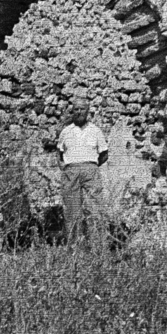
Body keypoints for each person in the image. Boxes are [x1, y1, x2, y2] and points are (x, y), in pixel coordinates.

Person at [57, 102, 108, 241]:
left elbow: (104, 154)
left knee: (95, 209)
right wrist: (65, 168)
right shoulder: (66, 131)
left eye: (82, 109)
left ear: (87, 111)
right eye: (76, 109)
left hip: (90, 170)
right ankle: (73, 246)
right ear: (72, 111)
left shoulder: (95, 131)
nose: (79, 111)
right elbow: (59, 153)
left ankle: (97, 246)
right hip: (71, 171)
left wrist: (92, 166)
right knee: (72, 210)